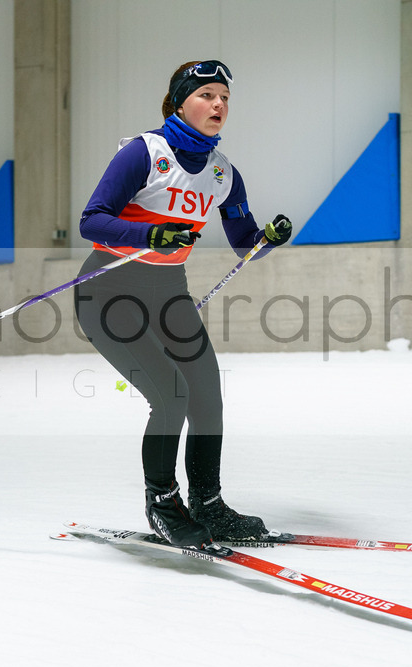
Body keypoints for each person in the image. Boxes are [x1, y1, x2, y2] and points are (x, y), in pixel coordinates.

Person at [74, 60, 292, 549]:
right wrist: (149, 233)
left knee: (206, 393)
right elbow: (93, 221)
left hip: (168, 290)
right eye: (207, 95)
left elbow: (244, 242)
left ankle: (208, 503)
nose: (219, 104)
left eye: (225, 98)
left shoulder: (222, 173)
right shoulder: (143, 153)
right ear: (178, 102)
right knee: (171, 394)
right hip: (108, 292)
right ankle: (162, 502)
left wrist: (269, 238)